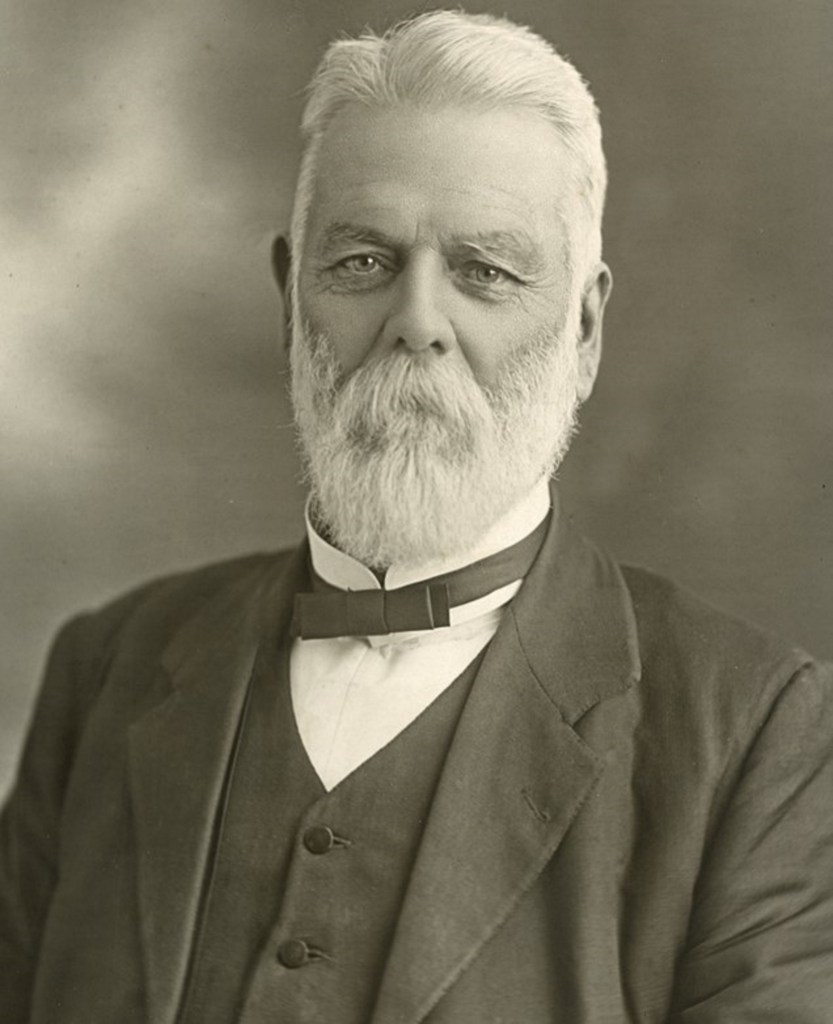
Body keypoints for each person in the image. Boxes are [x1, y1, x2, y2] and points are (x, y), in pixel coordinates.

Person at [1, 9, 831, 1023]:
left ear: (582, 328)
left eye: (484, 271)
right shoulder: (106, 669)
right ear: (288, 300)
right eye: (363, 262)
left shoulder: (753, 731)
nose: (416, 324)